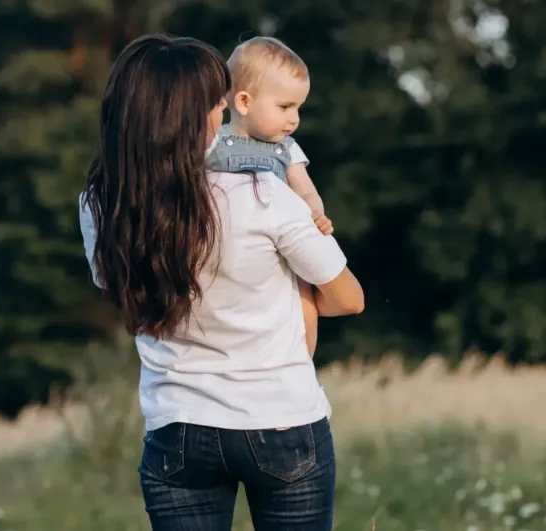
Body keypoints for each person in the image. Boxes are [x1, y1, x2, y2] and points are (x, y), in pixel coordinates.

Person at [78, 33, 365, 531]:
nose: (222, 110)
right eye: (215, 102)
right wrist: (296, 300)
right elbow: (349, 299)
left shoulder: (103, 205)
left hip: (177, 427)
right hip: (279, 416)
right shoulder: (261, 193)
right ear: (191, 115)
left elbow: (124, 294)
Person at [208, 36, 330, 359]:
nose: (295, 119)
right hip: (229, 247)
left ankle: (301, 362)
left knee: (305, 301)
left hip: (280, 247)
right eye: (285, 107)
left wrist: (315, 213)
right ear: (245, 102)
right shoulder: (213, 143)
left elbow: (306, 190)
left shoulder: (287, 149)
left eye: (298, 108)